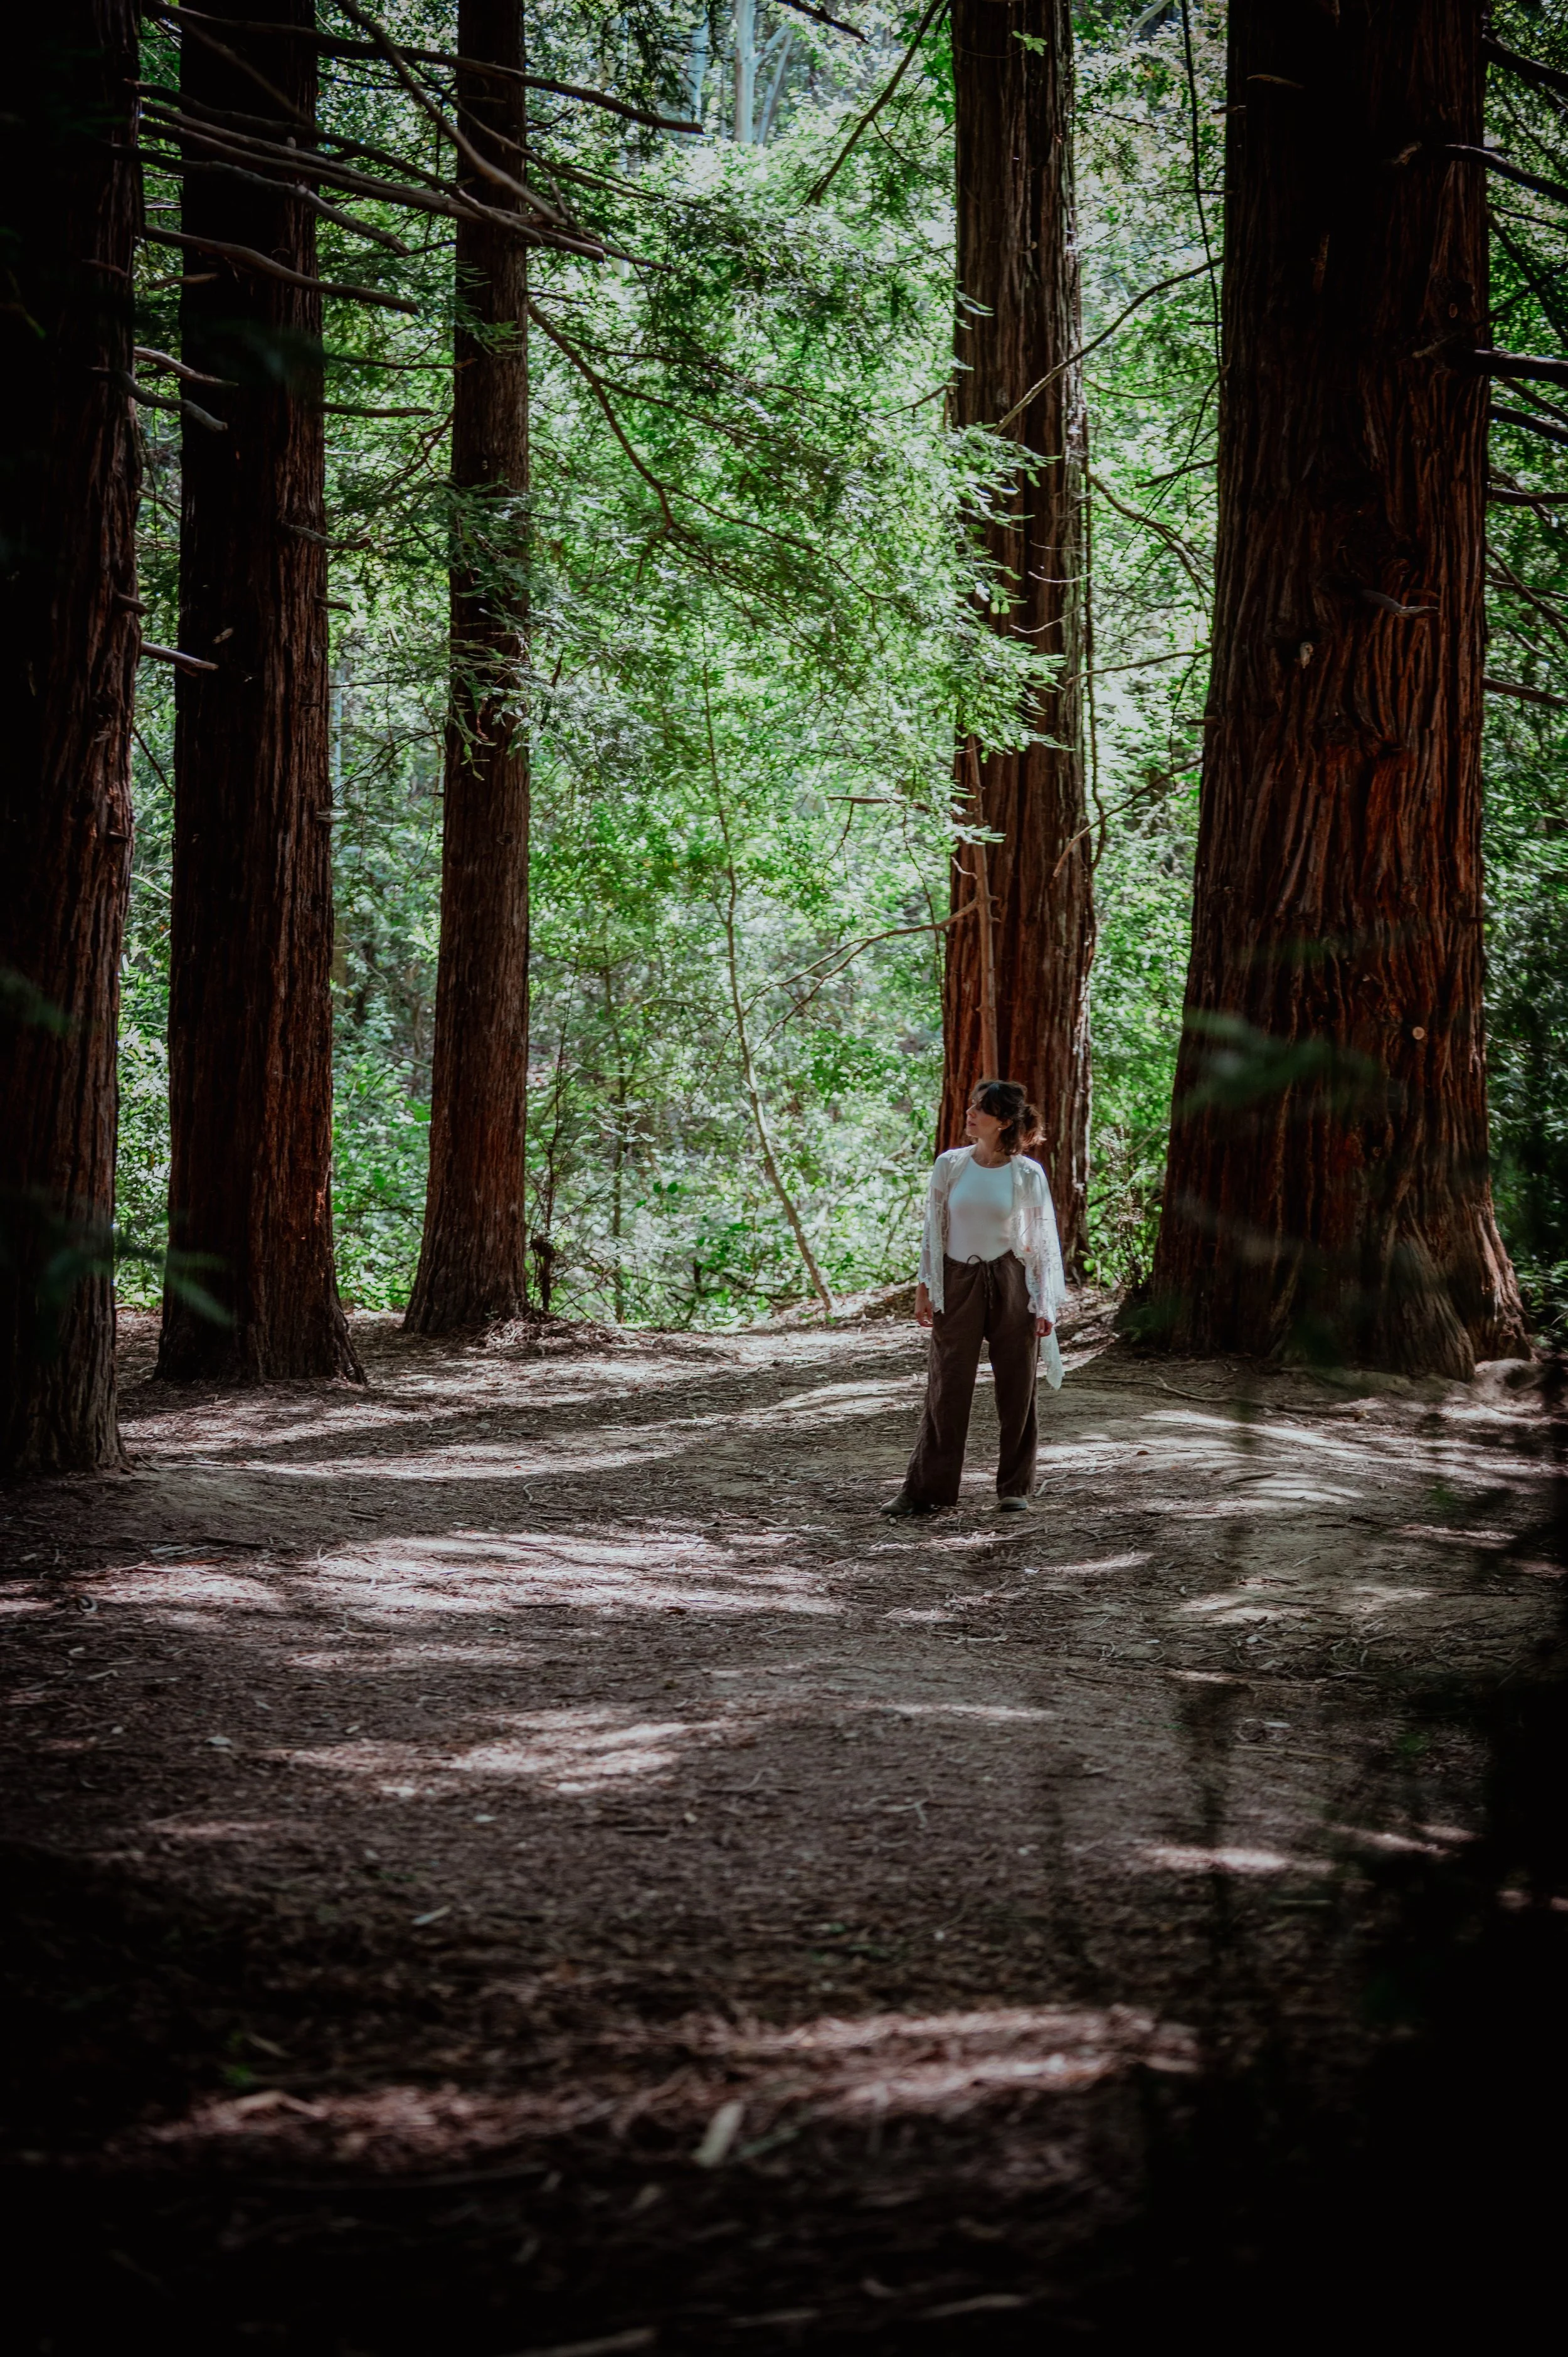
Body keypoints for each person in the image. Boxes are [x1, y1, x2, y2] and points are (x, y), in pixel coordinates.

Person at [881, 1078, 1066, 1518]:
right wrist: (925, 1287)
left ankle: (1014, 1488)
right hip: (957, 1277)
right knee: (948, 1385)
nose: (970, 1113)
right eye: (972, 1106)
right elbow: (934, 1228)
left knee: (1018, 1386)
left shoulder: (1026, 1173)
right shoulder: (951, 1165)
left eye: (981, 1108)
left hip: (1011, 1279)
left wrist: (1045, 1303)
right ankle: (925, 1489)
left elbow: (1041, 1241)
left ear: (1003, 1122)